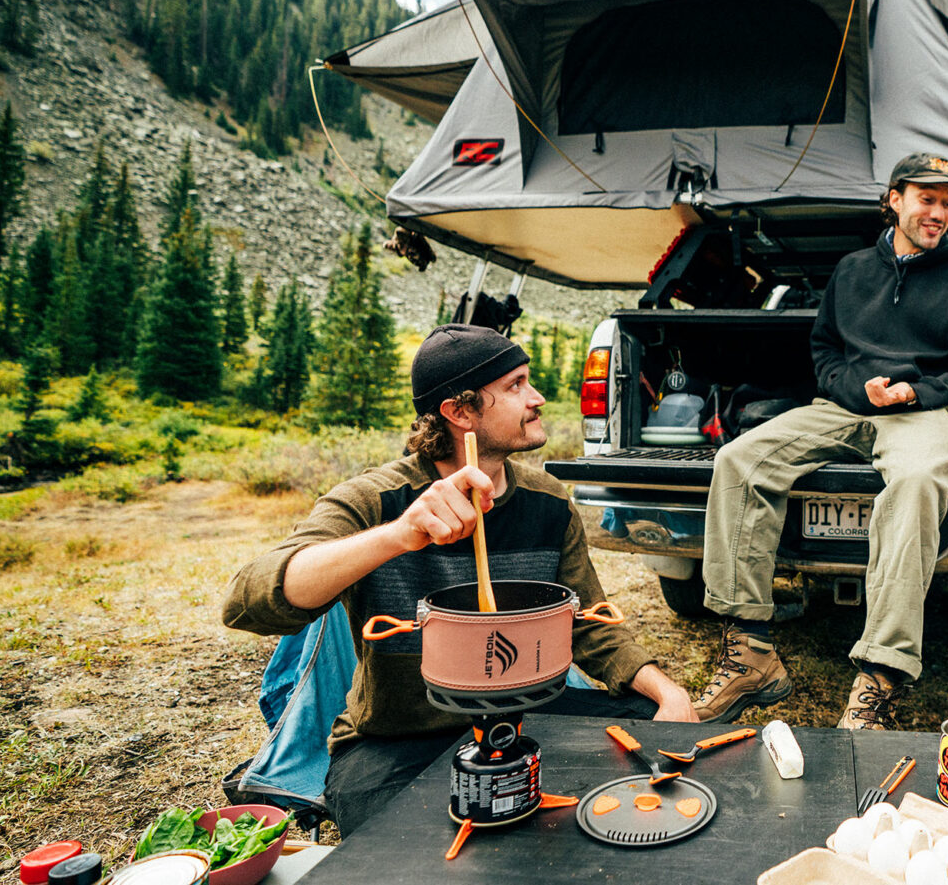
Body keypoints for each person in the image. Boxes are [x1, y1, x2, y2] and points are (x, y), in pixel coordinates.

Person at [223, 323, 695, 836]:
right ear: (459, 412)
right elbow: (248, 600)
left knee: (647, 771)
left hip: (533, 716)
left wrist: (666, 693)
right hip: (398, 739)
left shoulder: (548, 501)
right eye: (515, 386)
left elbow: (584, 622)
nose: (536, 399)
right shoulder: (376, 500)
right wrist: (399, 535)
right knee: (407, 856)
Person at [692, 153, 948, 729]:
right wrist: (860, 387)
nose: (938, 213)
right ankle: (750, 654)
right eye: (926, 199)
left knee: (913, 482)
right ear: (894, 199)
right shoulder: (853, 269)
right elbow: (825, 352)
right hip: (844, 407)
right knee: (739, 459)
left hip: (923, 413)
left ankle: (881, 676)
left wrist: (913, 393)